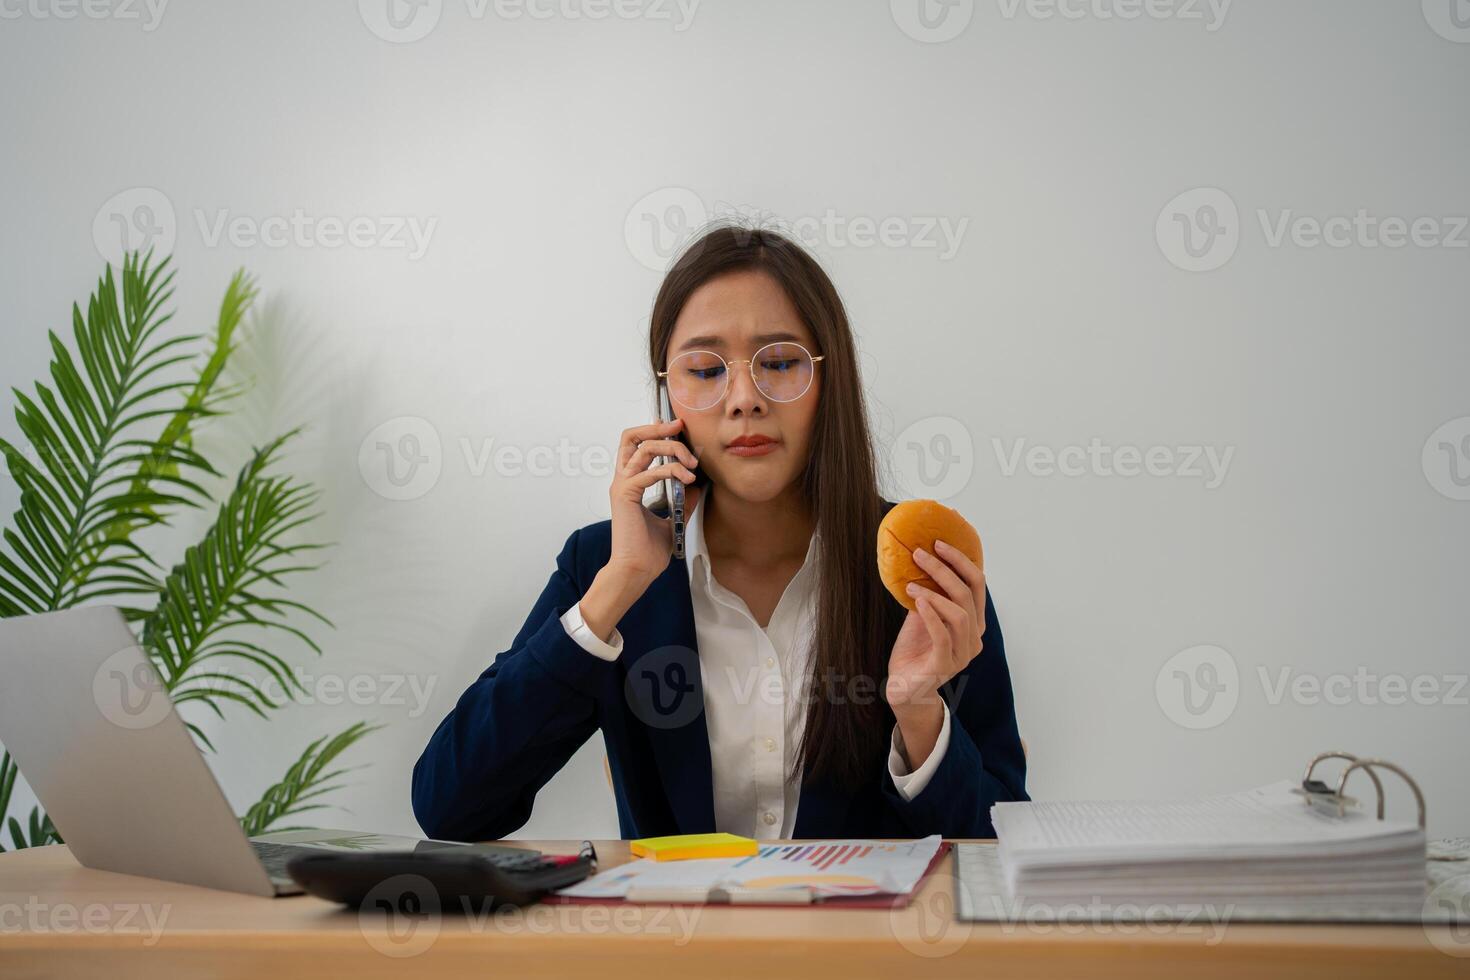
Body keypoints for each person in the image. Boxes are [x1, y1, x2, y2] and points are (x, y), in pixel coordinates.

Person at [412, 225, 1027, 842]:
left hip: (862, 940)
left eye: (781, 363)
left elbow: (997, 844)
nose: (743, 399)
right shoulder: (603, 566)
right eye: (705, 370)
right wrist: (614, 592)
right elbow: (451, 806)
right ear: (666, 394)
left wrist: (919, 714)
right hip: (676, 937)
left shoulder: (916, 568)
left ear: (829, 382)